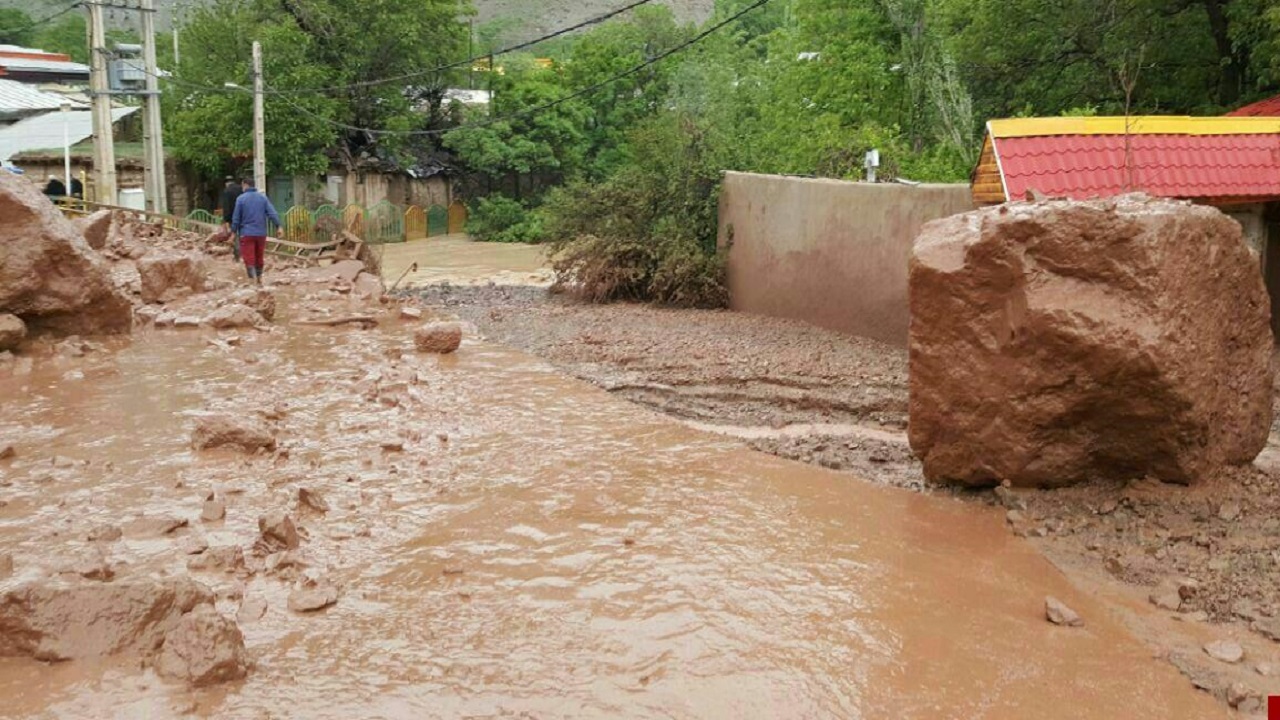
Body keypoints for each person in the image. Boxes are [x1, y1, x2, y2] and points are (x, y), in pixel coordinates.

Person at [230, 178, 282, 284]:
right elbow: (272, 213)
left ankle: (252, 280)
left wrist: (233, 233)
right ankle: (259, 279)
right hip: (261, 233)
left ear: (245, 185)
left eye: (242, 186)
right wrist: (279, 226)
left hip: (246, 233)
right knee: (259, 256)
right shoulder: (262, 198)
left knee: (249, 257)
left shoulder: (241, 199)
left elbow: (236, 218)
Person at [220, 176, 243, 261]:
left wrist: (226, 221)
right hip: (244, 216)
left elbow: (226, 207)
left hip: (233, 217)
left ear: (226, 183)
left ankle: (238, 256)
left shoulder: (227, 191)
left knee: (235, 235)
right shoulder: (241, 189)